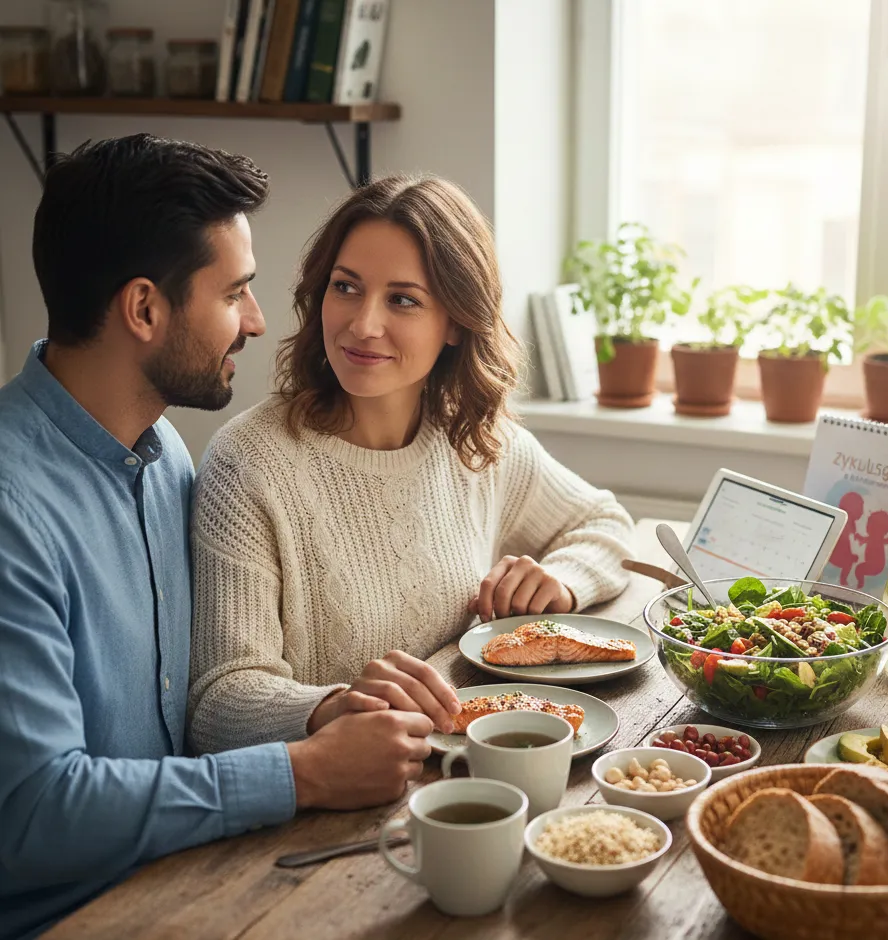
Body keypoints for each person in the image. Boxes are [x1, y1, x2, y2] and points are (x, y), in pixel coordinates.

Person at [0, 137, 444, 940]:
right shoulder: (12, 512)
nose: (257, 320)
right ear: (144, 309)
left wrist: (327, 713)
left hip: (195, 873)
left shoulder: (163, 451)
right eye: (234, 292)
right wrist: (299, 775)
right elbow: (34, 814)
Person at [187, 174, 635, 755]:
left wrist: (561, 582)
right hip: (337, 805)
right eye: (345, 287)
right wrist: (334, 706)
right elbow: (218, 703)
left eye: (402, 299)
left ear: (455, 321)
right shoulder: (248, 463)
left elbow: (608, 525)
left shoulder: (472, 437)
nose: (362, 324)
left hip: (484, 768)